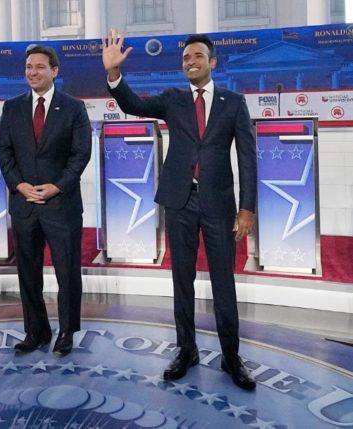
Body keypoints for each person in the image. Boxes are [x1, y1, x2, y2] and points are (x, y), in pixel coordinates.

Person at [102, 30, 257, 390]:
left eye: (198, 57)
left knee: (223, 283)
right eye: (186, 58)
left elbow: (247, 158)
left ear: (212, 62)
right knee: (181, 280)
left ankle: (231, 357)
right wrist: (114, 75)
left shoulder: (233, 103)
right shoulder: (173, 99)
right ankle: (186, 350)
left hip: (219, 204)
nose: (191, 62)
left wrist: (246, 207)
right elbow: (133, 105)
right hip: (180, 201)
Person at [0, 45, 92, 357]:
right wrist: (18, 185)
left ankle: (66, 331)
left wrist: (57, 186)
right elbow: (4, 152)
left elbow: (80, 154)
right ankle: (36, 330)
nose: (32, 72)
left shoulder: (74, 107)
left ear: (55, 71)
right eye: (28, 67)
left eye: (39, 67)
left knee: (67, 273)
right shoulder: (11, 108)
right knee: (28, 273)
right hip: (24, 205)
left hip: (61, 205)